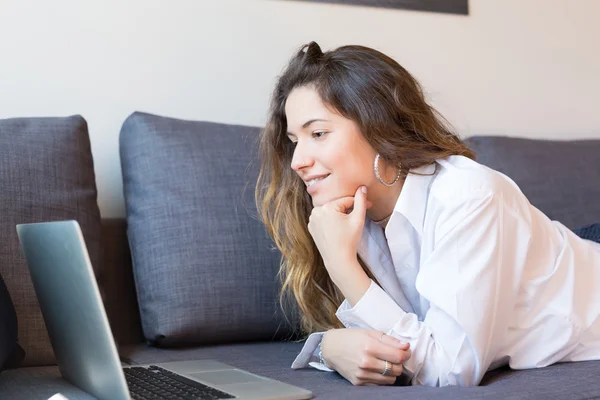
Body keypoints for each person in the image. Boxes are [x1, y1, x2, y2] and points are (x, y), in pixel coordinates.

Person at [254, 41, 600, 387]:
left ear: (378, 126)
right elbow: (385, 345)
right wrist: (327, 348)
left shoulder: (468, 196)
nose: (297, 161)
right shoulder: (344, 216)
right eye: (294, 140)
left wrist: (342, 267)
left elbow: (448, 372)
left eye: (318, 133)